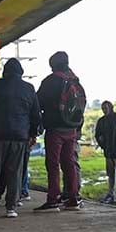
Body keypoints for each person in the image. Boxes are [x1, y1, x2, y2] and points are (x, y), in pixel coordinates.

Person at [0, 58, 41, 218]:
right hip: (19, 136)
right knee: (15, 172)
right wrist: (32, 134)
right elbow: (36, 115)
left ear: (5, 71)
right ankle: (11, 208)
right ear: (21, 72)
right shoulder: (29, 88)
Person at [35, 51, 86, 212]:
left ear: (53, 65)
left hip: (55, 129)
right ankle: (73, 198)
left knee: (53, 164)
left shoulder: (50, 81)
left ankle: (53, 199)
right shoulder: (75, 80)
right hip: (71, 128)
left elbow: (38, 103)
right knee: (69, 162)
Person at [94, 101, 116, 203]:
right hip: (108, 151)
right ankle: (111, 193)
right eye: (103, 108)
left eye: (106, 108)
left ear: (111, 107)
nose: (104, 110)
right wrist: (103, 145)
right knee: (111, 174)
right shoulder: (101, 121)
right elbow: (98, 135)